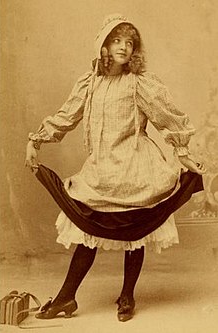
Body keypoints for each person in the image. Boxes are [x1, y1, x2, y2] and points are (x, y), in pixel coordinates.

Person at [25, 14, 206, 322]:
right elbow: (67, 116)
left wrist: (184, 154)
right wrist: (37, 140)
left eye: (129, 42)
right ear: (104, 45)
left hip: (137, 167)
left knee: (136, 232)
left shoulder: (139, 84)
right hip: (103, 171)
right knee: (88, 234)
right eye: (117, 40)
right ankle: (66, 298)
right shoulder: (90, 83)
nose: (124, 47)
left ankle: (127, 295)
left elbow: (168, 118)